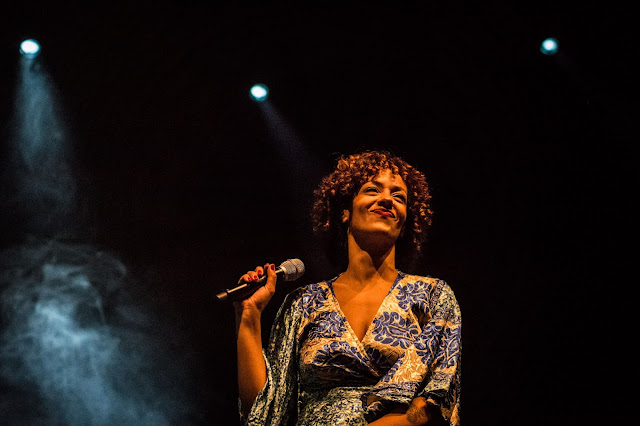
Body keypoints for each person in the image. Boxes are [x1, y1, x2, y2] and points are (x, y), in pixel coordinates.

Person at [234, 151, 461, 425]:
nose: (387, 199)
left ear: (404, 224)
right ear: (345, 212)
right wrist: (249, 316)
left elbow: (435, 401)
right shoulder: (303, 303)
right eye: (372, 190)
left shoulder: (433, 296)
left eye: (399, 196)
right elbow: (262, 413)